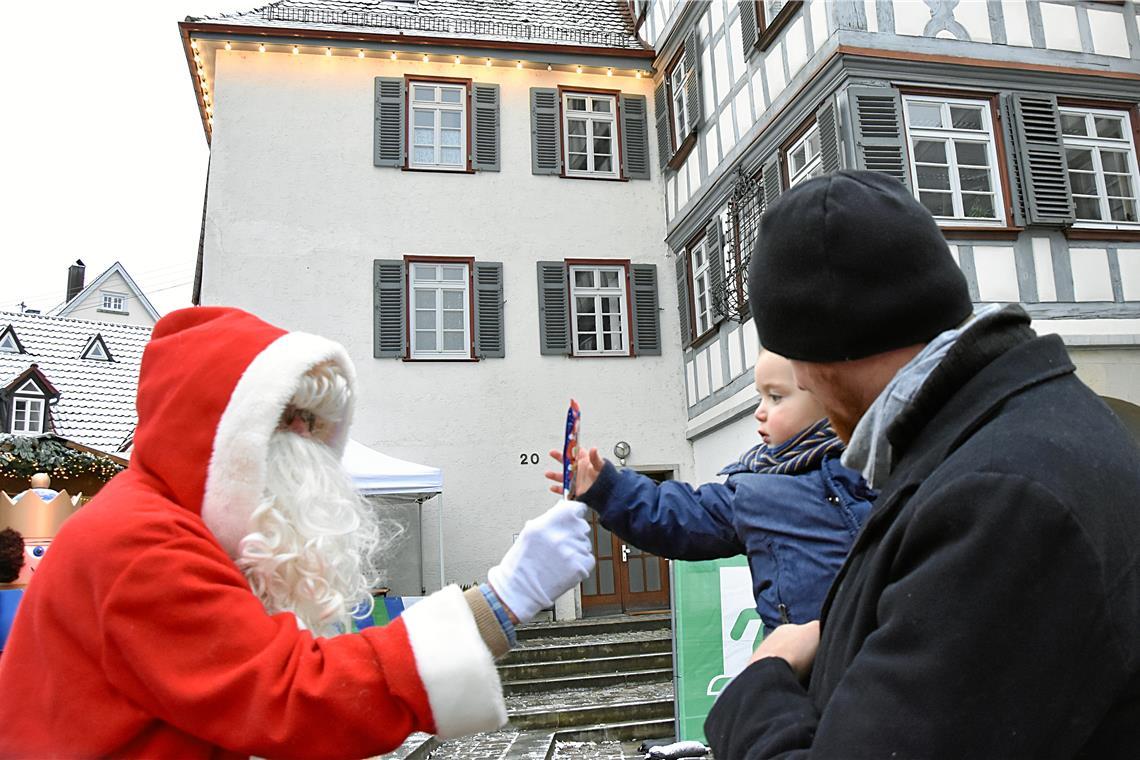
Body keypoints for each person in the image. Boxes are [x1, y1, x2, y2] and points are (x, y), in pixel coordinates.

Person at [0, 307, 594, 758]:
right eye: (293, 420)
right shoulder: (140, 541)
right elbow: (292, 692)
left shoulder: (165, 524)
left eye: (320, 423)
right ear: (224, 431)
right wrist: (501, 599)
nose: (313, 446)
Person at [705, 170, 1140, 758]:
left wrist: (761, 681)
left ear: (820, 360)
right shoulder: (1016, 430)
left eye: (791, 372)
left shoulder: (999, 500)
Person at [546, 349, 873, 633]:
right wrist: (606, 489)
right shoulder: (755, 489)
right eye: (760, 396)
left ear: (832, 396)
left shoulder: (886, 465)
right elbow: (681, 515)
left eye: (776, 397)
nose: (759, 411)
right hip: (811, 675)